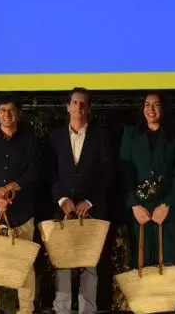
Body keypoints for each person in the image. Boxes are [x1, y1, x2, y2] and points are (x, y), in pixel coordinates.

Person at [47, 87, 112, 314]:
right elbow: (49, 172)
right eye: (75, 102)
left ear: (89, 108)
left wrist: (91, 200)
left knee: (89, 265)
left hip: (91, 212)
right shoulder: (55, 137)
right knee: (63, 265)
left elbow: (107, 173)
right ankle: (62, 310)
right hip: (63, 211)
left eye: (83, 103)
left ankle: (87, 310)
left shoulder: (101, 136)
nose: (78, 107)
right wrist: (61, 199)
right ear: (67, 107)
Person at [0, 95, 42, 314]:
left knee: (24, 266)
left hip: (22, 214)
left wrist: (8, 189)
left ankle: (25, 310)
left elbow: (34, 172)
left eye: (11, 110)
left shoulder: (31, 141)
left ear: (18, 114)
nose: (7, 114)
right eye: (3, 110)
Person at [119, 91, 175, 269]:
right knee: (141, 265)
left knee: (168, 265)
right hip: (140, 211)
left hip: (168, 210)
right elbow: (125, 172)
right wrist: (134, 204)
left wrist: (167, 204)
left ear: (164, 108)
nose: (151, 109)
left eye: (156, 105)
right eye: (147, 105)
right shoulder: (130, 134)